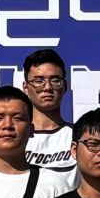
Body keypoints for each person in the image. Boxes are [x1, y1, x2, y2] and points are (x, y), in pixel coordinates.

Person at [20, 49, 75, 177]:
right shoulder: (15, 138)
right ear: (26, 87)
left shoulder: (79, 136)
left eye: (55, 80)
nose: (48, 87)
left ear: (65, 86)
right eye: (39, 81)